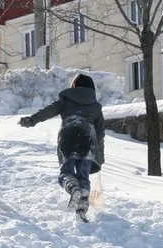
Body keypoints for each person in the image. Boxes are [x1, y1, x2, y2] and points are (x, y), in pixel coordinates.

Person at [18, 73, 105, 218]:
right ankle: (81, 210)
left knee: (66, 173)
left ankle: (73, 188)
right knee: (84, 176)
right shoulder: (95, 106)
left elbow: (47, 111)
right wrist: (100, 154)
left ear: (74, 86)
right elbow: (100, 132)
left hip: (68, 137)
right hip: (87, 139)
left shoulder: (66, 99)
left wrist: (31, 120)